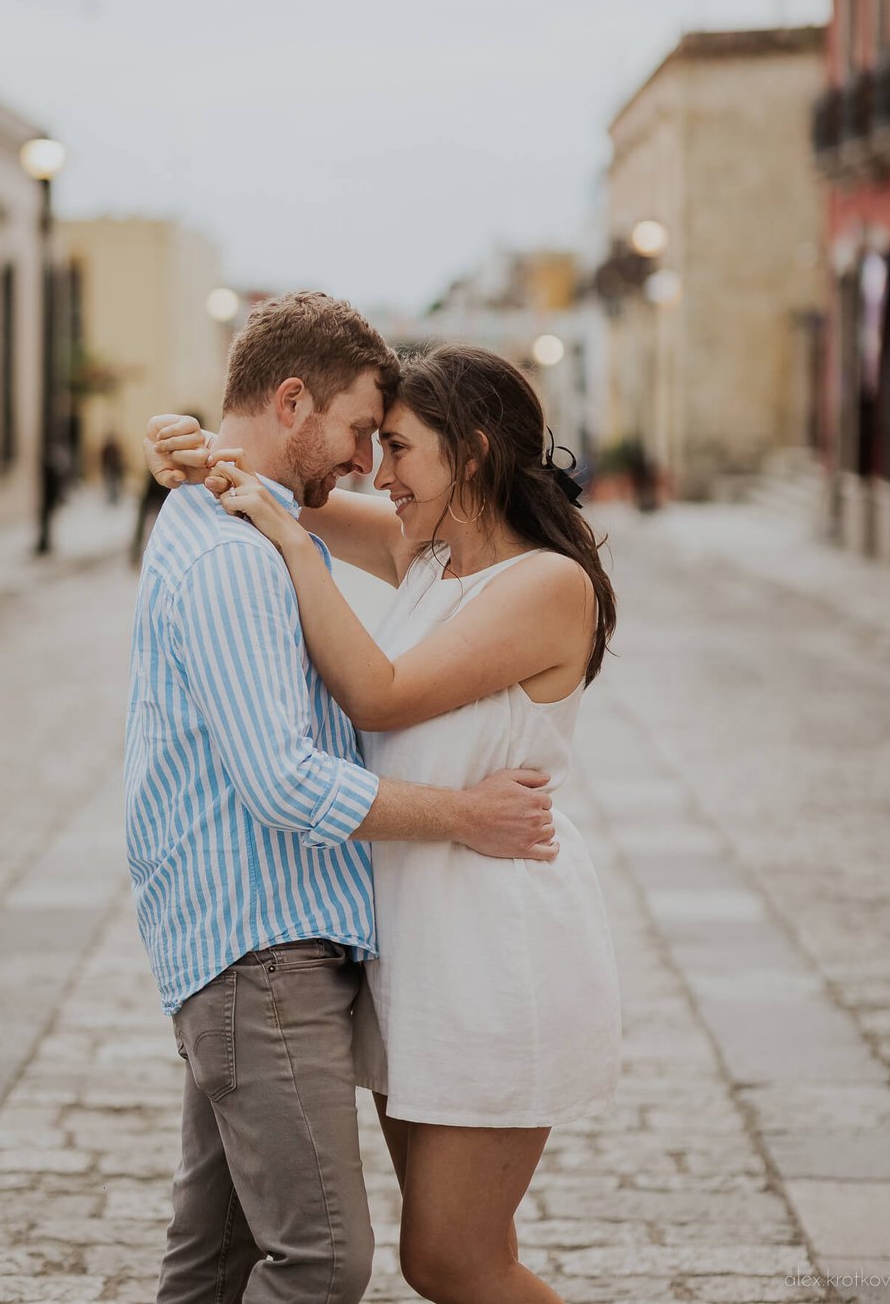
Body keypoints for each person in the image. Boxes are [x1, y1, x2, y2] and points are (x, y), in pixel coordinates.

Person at [152, 342, 622, 1304]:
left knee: (450, 1259)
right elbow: (291, 481)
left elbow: (379, 693)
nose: (379, 470)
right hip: (414, 942)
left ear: (474, 455)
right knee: (457, 1253)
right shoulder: (429, 550)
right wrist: (190, 448)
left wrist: (290, 549)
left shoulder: (547, 585)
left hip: (498, 944)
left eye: (399, 448)